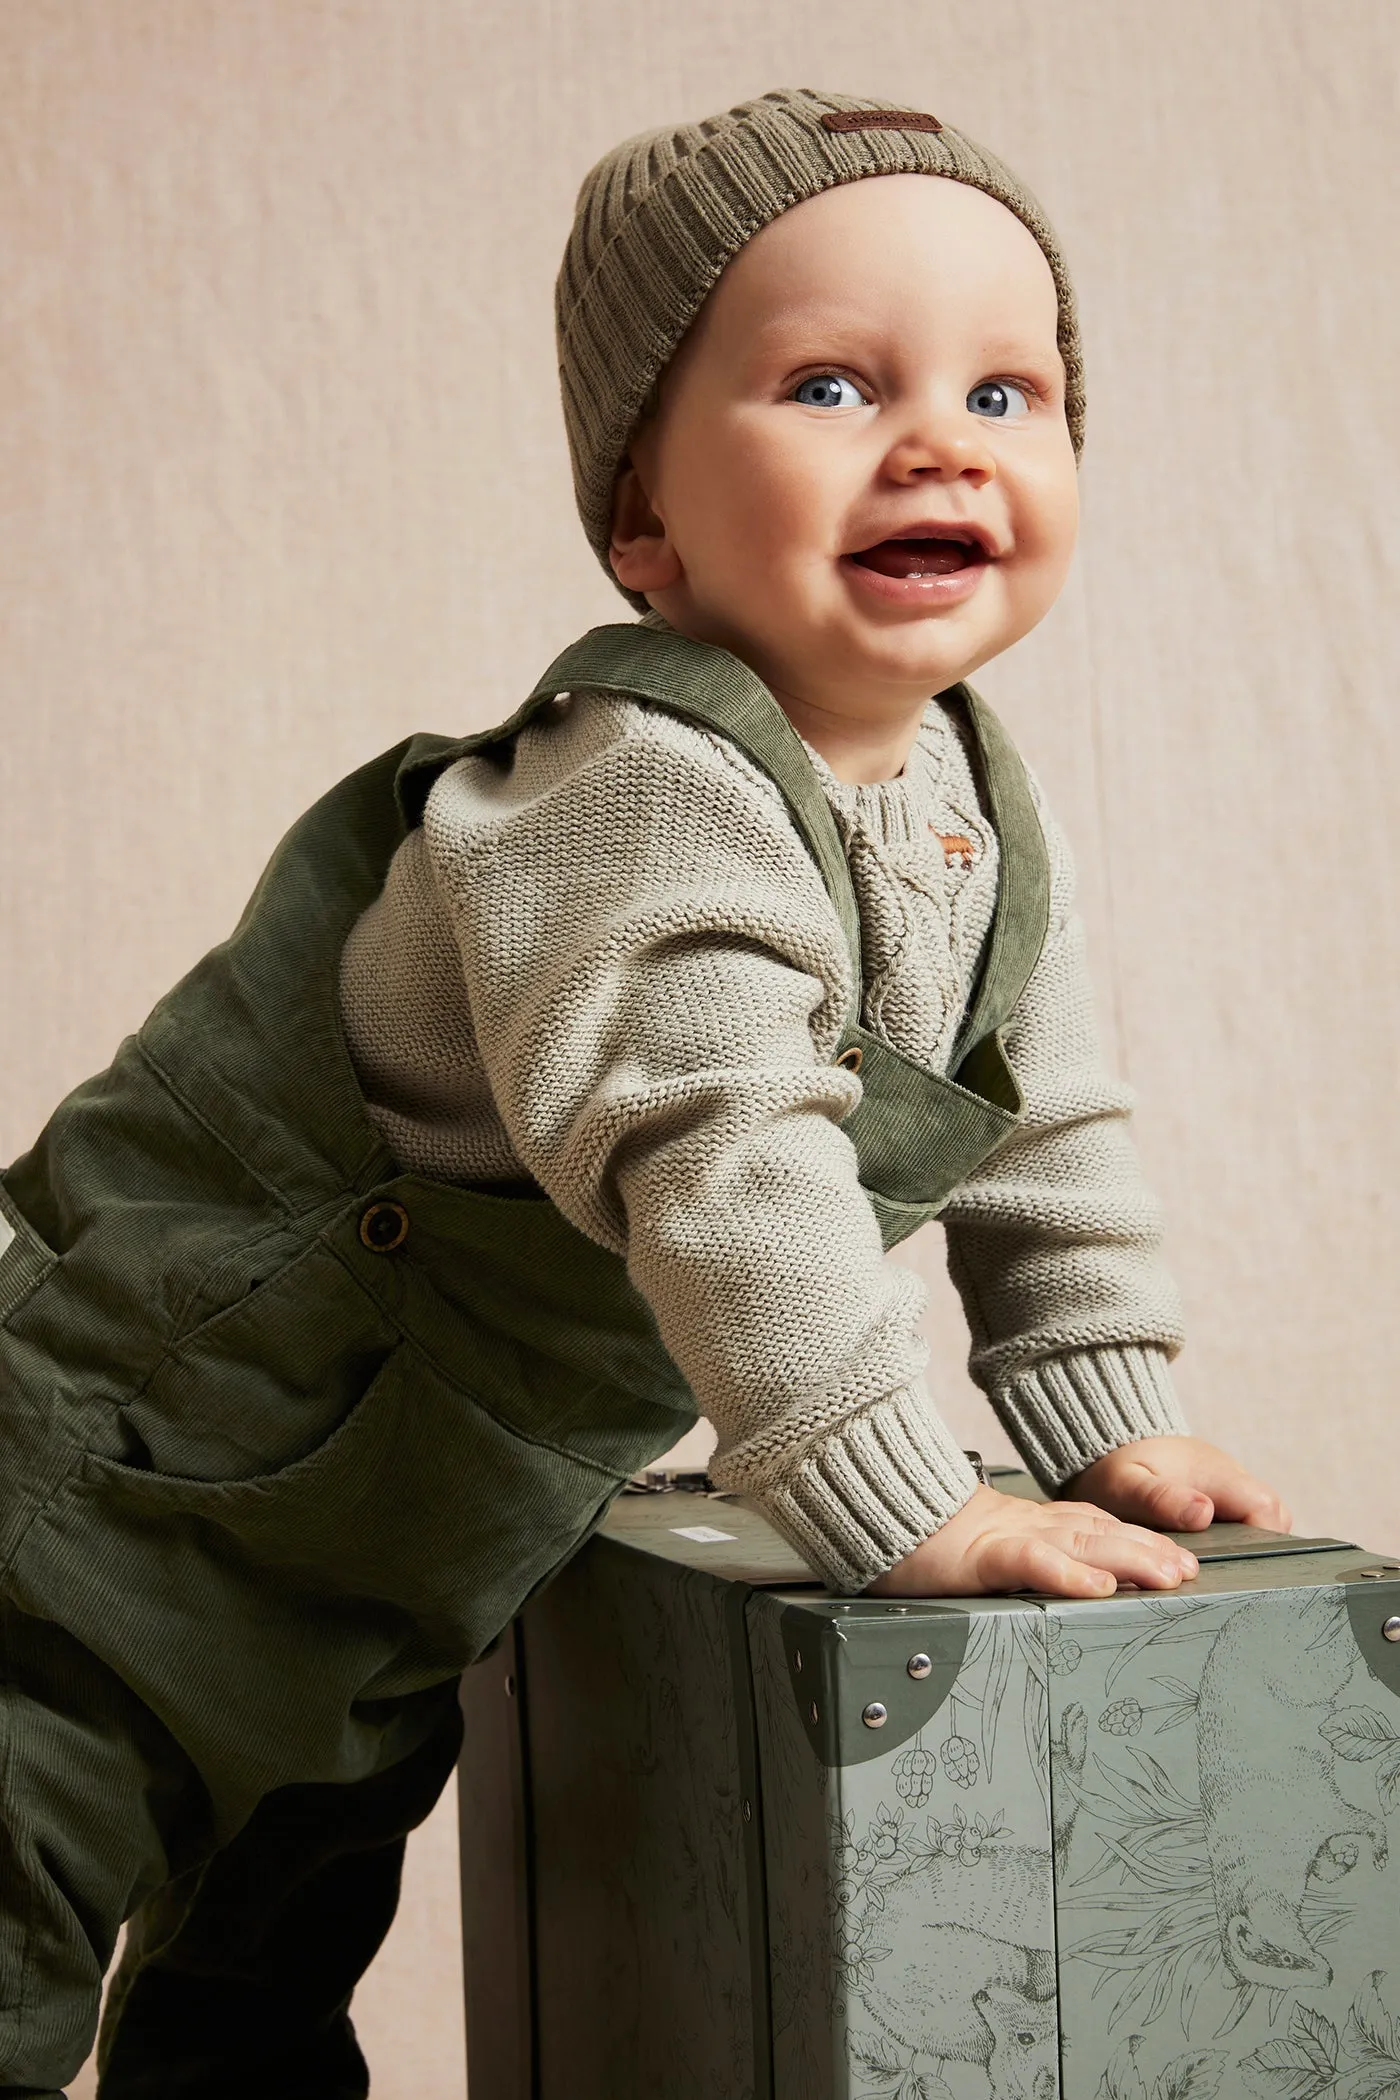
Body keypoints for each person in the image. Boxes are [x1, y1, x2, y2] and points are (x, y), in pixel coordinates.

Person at [0, 87, 1289, 2097]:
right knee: (37, 1841)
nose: (939, 437)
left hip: (411, 1504)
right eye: (834, 385)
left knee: (274, 1921)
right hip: (165, 1446)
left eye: (1009, 390)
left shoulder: (960, 804)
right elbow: (722, 1160)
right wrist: (899, 1496)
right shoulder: (637, 788)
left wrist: (1109, 1412)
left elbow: (1043, 1115)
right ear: (644, 523)